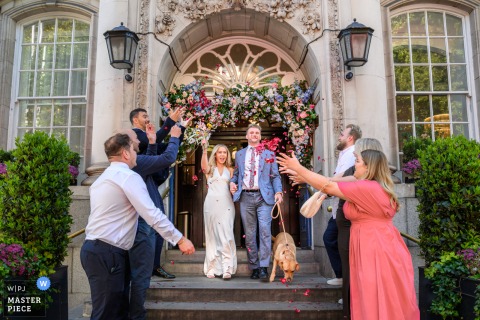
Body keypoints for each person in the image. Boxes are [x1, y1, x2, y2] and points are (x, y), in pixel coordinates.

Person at [277, 150, 420, 320]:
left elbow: (329, 186)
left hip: (375, 248)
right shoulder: (371, 185)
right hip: (377, 243)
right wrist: (304, 175)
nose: (354, 165)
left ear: (368, 167)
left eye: (357, 161)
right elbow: (332, 183)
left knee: (376, 296)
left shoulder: (367, 188)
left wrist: (299, 167)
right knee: (375, 296)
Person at [80, 133, 195, 320]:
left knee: (113, 310)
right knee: (106, 313)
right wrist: (180, 239)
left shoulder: (103, 178)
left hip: (98, 251)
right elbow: (151, 213)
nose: (136, 154)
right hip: (108, 253)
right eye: (134, 150)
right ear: (126, 154)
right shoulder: (127, 177)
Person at [123, 124, 184, 320]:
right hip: (144, 225)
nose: (138, 140)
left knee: (139, 274)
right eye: (135, 138)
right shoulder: (135, 163)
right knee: (141, 276)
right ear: (126, 148)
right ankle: (136, 315)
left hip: (145, 224)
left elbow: (151, 167)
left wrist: (152, 142)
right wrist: (174, 137)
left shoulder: (136, 163)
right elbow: (167, 159)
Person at [129, 107, 185, 280]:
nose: (147, 119)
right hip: (142, 183)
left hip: (151, 181)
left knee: (158, 224)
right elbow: (155, 140)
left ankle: (154, 265)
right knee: (150, 227)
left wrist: (180, 129)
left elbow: (161, 147)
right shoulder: (134, 135)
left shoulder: (146, 137)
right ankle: (147, 267)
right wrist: (170, 122)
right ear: (135, 120)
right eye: (144, 116)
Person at [229, 124, 283, 280]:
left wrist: (278, 192)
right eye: (251, 132)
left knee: (265, 231)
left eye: (257, 133)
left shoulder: (269, 154)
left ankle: (264, 267)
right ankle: (254, 266)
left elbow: (275, 176)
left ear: (260, 136)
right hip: (246, 197)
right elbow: (236, 175)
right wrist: (232, 183)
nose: (254, 135)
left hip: (264, 197)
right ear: (247, 136)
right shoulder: (239, 155)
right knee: (250, 234)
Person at [324, 124, 362, 287]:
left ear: (350, 137)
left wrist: (327, 186)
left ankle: (344, 279)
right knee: (332, 239)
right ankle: (342, 277)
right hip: (339, 206)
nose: (339, 137)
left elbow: (345, 177)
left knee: (336, 242)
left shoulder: (351, 155)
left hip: (346, 207)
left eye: (342, 134)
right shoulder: (344, 154)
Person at [201, 143, 237, 279]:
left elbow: (234, 185)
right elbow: (203, 167)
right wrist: (204, 150)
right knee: (212, 236)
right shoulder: (210, 169)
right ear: (215, 154)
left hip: (227, 204)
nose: (222, 155)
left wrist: (234, 188)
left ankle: (227, 267)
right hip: (210, 204)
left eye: (225, 152)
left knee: (227, 234)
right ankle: (211, 267)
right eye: (220, 152)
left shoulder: (231, 170)